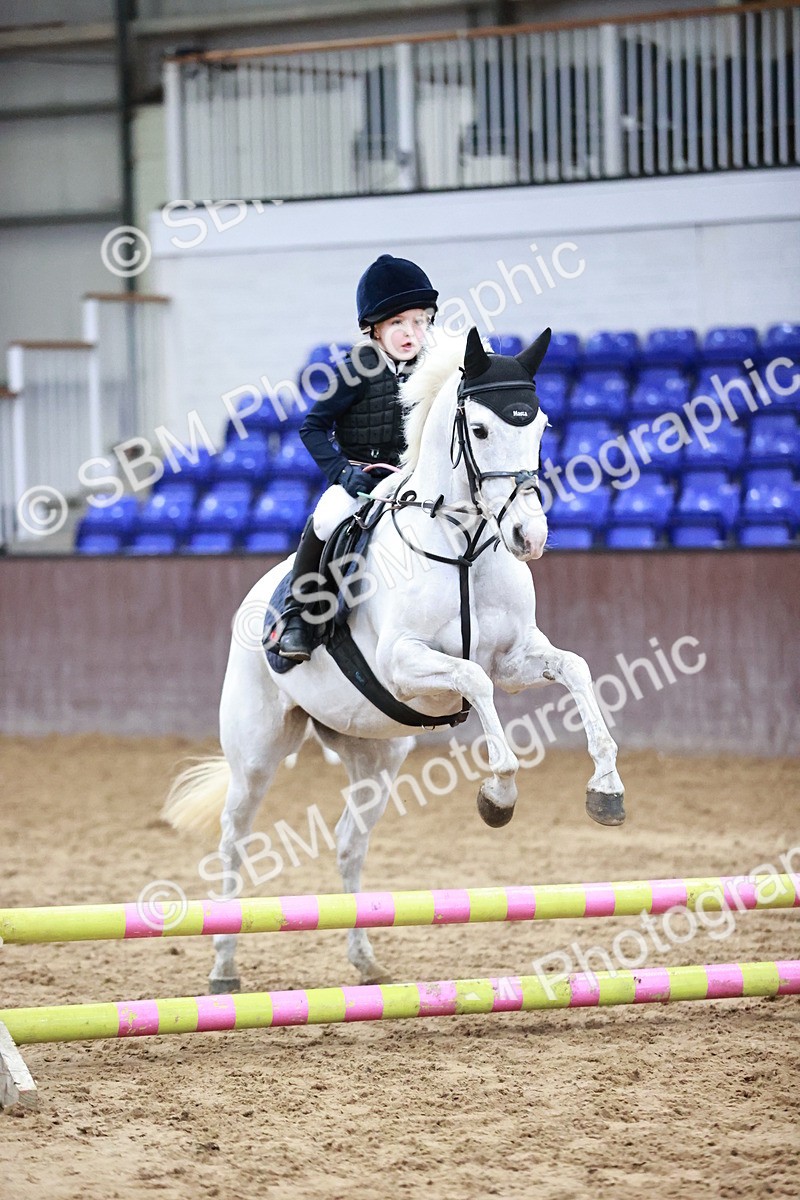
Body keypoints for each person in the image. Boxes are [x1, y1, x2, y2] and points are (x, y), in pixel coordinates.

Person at [275, 253, 438, 661]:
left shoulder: (436, 367)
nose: (410, 332)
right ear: (374, 328)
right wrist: (342, 473)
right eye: (397, 323)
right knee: (327, 517)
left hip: (415, 482)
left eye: (419, 320)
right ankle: (299, 617)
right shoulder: (355, 368)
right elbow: (311, 427)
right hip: (362, 482)